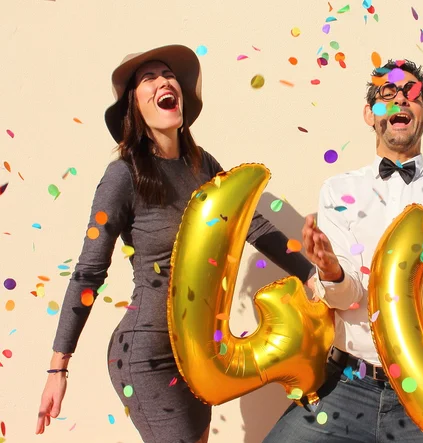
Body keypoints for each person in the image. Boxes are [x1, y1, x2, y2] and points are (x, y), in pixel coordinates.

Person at [34, 44, 316, 443]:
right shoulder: (122, 177)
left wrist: (312, 276)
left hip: (199, 355)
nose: (164, 81)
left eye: (167, 75)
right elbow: (88, 271)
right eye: (148, 78)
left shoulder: (203, 165)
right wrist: (57, 369)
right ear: (134, 106)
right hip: (147, 356)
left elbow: (251, 224)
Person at [263, 59, 423, 442]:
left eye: (412, 94)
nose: (399, 100)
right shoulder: (337, 191)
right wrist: (330, 270)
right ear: (370, 114)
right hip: (345, 385)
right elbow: (348, 294)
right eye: (386, 94)